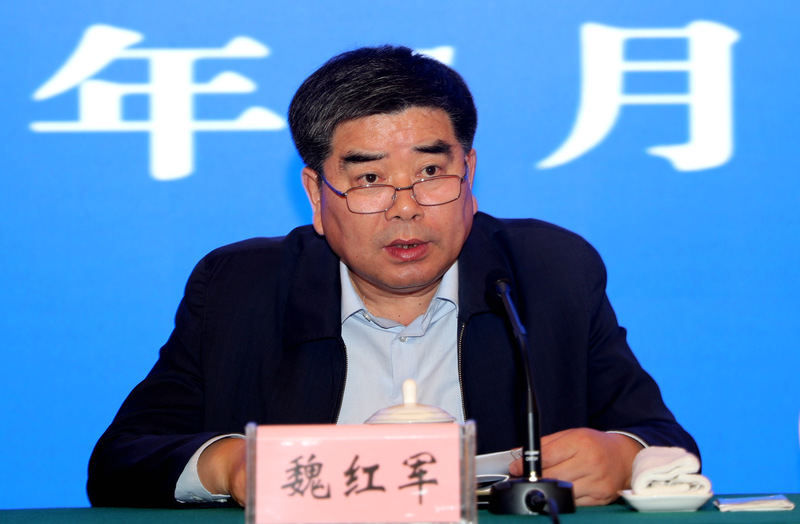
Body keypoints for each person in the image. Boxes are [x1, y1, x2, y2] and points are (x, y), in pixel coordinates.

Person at [86, 45, 698, 509]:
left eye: (431, 172)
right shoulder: (241, 286)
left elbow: (663, 438)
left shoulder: (548, 271)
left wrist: (623, 457)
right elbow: (121, 461)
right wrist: (233, 465)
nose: (406, 207)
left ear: (469, 174)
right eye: (370, 179)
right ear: (316, 195)